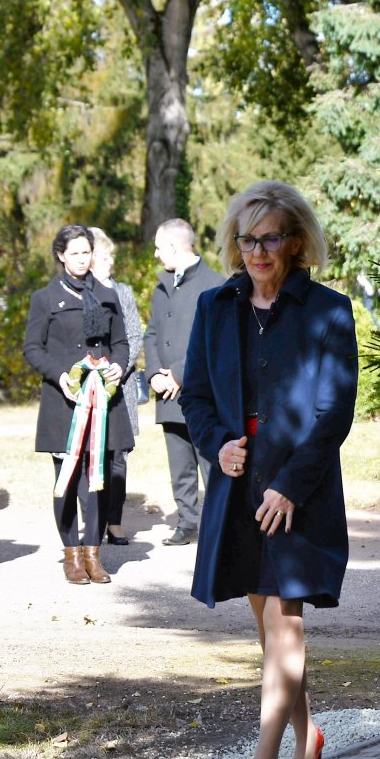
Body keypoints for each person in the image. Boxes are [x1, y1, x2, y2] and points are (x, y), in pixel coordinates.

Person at [179, 182, 358, 759]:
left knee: (286, 623)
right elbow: (195, 397)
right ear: (236, 242)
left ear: (296, 241)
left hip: (297, 486)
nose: (259, 250)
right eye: (248, 238)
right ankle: (307, 736)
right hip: (238, 486)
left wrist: (290, 484)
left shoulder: (328, 311)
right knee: (267, 628)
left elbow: (334, 412)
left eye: (272, 237)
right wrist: (216, 445)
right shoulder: (213, 307)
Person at [24, 225, 135, 586]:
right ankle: (71, 554)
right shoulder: (45, 298)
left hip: (104, 402)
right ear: (60, 255)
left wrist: (118, 363)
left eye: (86, 252)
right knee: (67, 481)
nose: (82, 259)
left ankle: (93, 553)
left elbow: (120, 342)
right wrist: (61, 376)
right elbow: (32, 349)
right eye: (74, 253)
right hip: (65, 403)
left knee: (98, 482)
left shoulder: (107, 294)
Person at [143, 217, 224, 546]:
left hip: (202, 392)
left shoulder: (214, 283)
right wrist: (154, 375)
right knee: (179, 464)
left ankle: (218, 525)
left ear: (174, 247)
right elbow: (150, 334)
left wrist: (178, 372)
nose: (156, 255)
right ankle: (187, 520)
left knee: (209, 461)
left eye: (159, 248)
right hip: (167, 394)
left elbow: (212, 338)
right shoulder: (161, 286)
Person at [89, 226, 145, 546]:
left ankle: (115, 521)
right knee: (94, 455)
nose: (111, 261)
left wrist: (118, 371)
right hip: (91, 387)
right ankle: (94, 520)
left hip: (119, 387)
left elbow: (135, 335)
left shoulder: (122, 291)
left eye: (112, 255)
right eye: (106, 255)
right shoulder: (84, 292)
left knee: (119, 457)